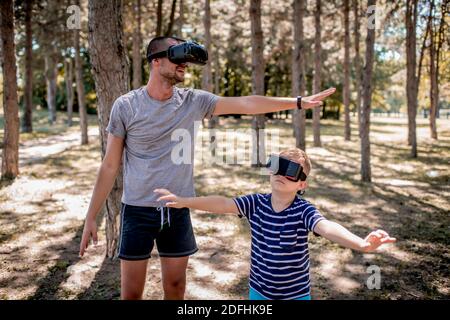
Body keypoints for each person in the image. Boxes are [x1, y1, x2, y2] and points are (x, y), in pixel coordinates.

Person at [78, 35, 336, 300]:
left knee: (176, 287)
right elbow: (110, 165)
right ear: (156, 61)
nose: (184, 64)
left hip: (177, 209)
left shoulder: (194, 101)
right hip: (137, 210)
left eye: (187, 60)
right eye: (177, 57)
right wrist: (91, 216)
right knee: (131, 294)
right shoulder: (126, 105)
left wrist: (296, 102)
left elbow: (246, 103)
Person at [155, 148, 396, 300]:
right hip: (258, 291)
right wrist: (185, 201)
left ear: (302, 184)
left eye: (291, 172)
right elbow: (223, 203)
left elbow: (326, 227)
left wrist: (362, 244)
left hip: (296, 294)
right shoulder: (256, 203)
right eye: (277, 165)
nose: (281, 173)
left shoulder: (304, 211)